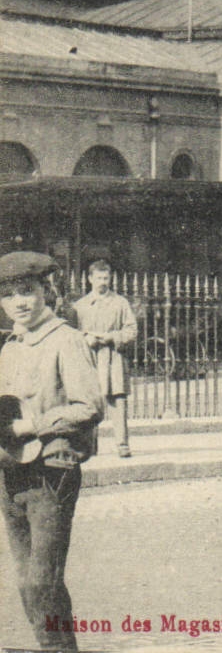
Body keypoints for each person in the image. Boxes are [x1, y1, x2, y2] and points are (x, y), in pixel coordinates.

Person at [1, 251, 104, 651]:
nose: (19, 302)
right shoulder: (10, 346)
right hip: (11, 471)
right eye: (8, 295)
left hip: (52, 471)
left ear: (47, 292)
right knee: (29, 581)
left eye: (27, 291)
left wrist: (32, 425)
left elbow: (89, 406)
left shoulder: (66, 339)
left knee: (42, 580)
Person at [70, 259, 136, 458]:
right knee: (89, 400)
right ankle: (91, 445)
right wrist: (85, 339)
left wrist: (112, 337)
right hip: (89, 357)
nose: (102, 282)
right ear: (90, 279)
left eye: (106, 278)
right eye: (98, 278)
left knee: (118, 399)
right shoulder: (79, 306)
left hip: (113, 357)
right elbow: (70, 335)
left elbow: (131, 330)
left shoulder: (120, 303)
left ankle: (122, 444)